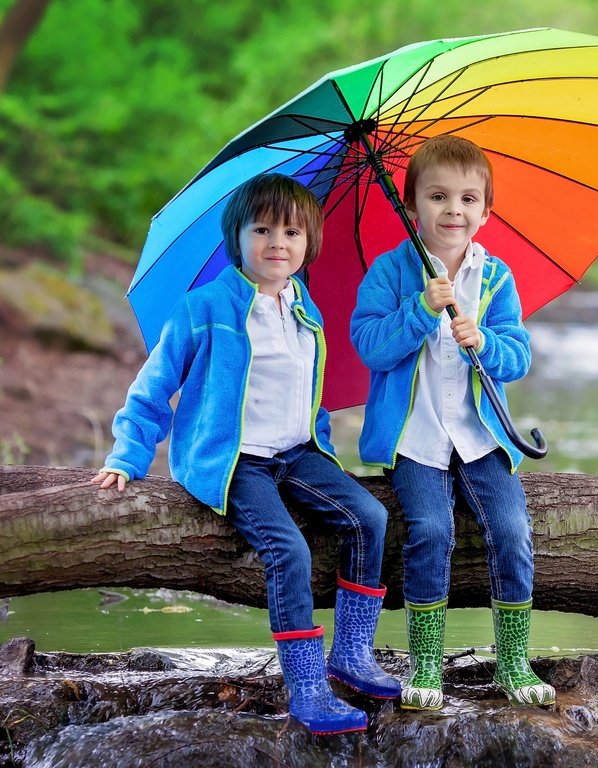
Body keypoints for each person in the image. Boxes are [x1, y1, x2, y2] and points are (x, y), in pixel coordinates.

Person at [92, 173, 400, 735]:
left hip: (296, 453)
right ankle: (306, 687)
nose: (276, 243)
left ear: (308, 244)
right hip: (235, 460)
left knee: (370, 517)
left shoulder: (306, 310)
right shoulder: (202, 308)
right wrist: (127, 456)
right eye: (262, 229)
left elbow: (314, 398)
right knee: (289, 550)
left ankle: (352, 655)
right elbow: (153, 386)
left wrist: (324, 453)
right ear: (237, 238)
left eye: (291, 231)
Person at [350, 135, 555, 710]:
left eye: (468, 199)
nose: (453, 211)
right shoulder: (392, 273)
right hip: (416, 439)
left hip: (480, 437)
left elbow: (518, 356)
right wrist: (420, 310)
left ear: (486, 212)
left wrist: (483, 340)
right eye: (438, 197)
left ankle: (513, 663)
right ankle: (427, 665)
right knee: (432, 531)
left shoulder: (496, 279)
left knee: (512, 530)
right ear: (412, 204)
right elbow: (369, 345)